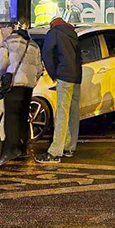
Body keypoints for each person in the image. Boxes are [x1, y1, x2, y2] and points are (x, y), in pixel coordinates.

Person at [35, 17, 83, 165]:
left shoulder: (54, 32)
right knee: (73, 113)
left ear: (52, 25)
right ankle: (69, 147)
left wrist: (53, 74)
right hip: (76, 77)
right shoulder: (72, 34)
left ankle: (55, 152)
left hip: (64, 76)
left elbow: (47, 54)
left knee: (61, 113)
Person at [0, 24, 43, 167]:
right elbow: (39, 68)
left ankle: (11, 150)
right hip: (27, 86)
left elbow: (1, 63)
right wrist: (33, 82)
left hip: (13, 85)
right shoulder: (34, 45)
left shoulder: (8, 41)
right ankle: (22, 148)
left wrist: (2, 76)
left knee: (11, 118)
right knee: (23, 117)